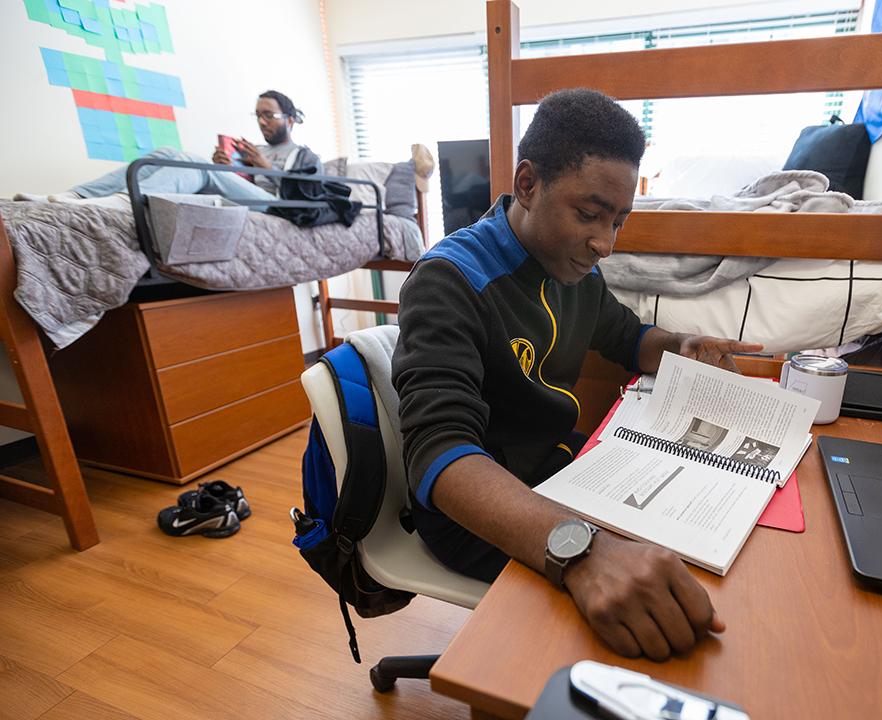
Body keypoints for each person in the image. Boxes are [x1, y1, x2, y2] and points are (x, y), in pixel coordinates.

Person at [391, 88, 764, 662]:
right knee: (654, 614)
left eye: (618, 221)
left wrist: (680, 347)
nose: (605, 244)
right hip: (477, 516)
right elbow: (439, 454)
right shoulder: (449, 281)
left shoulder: (573, 272)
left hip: (558, 474)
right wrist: (582, 552)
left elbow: (627, 337)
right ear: (527, 184)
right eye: (589, 215)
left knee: (704, 560)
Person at [15, 90, 320, 209]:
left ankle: (120, 203)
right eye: (258, 115)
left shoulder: (304, 155)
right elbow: (238, 185)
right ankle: (76, 196)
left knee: (193, 163)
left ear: (290, 120)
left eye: (269, 115)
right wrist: (227, 167)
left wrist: (265, 168)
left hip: (277, 208)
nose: (262, 121)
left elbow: (310, 197)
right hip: (241, 196)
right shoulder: (251, 149)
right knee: (167, 153)